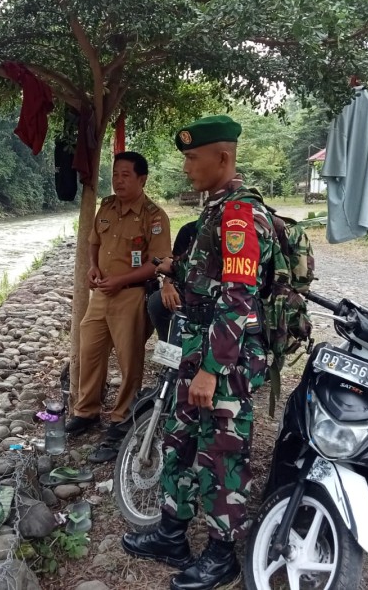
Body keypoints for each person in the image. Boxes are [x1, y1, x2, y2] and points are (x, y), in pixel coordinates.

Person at [122, 115, 277, 590]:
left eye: (193, 158)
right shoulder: (215, 210)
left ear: (222, 158)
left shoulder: (240, 216)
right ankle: (171, 532)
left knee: (222, 454)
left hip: (224, 362)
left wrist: (212, 369)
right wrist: (172, 274)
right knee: (180, 441)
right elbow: (201, 277)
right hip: (195, 350)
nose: (187, 166)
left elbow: (237, 297)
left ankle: (220, 553)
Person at [66, 151, 172, 440]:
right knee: (90, 351)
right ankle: (86, 411)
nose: (118, 181)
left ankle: (122, 416)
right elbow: (94, 241)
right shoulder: (108, 206)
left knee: (129, 360)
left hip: (131, 296)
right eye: (115, 174)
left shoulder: (154, 216)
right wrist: (93, 267)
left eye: (126, 175)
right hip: (102, 294)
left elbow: (158, 262)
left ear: (142, 179)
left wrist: (121, 280)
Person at [147, 220, 198, 341]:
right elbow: (174, 264)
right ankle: (169, 346)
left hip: (221, 292)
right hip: (189, 288)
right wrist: (168, 284)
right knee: (158, 302)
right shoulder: (189, 230)